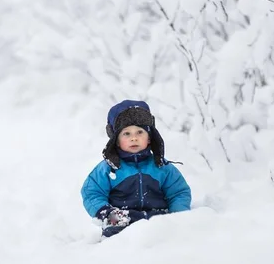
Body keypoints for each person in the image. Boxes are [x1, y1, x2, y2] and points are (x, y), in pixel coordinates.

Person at [81, 100, 192, 237]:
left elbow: (178, 192)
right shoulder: (108, 168)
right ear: (116, 140)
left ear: (149, 138)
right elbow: (92, 192)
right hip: (121, 223)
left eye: (140, 132)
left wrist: (177, 217)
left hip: (158, 221)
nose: (134, 138)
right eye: (126, 134)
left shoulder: (162, 167)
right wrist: (108, 214)